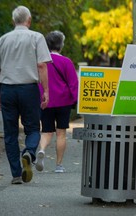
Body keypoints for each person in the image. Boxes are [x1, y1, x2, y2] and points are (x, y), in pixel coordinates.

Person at [0, 6, 51, 184]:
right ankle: (29, 152)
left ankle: (16, 174)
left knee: (10, 133)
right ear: (29, 20)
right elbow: (41, 66)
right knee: (32, 128)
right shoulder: (36, 37)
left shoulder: (3, 39)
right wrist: (46, 90)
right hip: (29, 89)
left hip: (7, 90)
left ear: (13, 21)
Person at [35, 30, 78, 173]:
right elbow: (73, 84)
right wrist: (74, 100)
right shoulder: (66, 62)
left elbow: (37, 81)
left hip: (45, 101)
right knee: (61, 133)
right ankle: (59, 165)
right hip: (63, 102)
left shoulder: (41, 62)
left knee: (46, 131)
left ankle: (41, 150)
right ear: (61, 45)